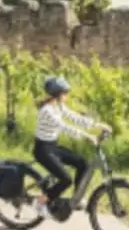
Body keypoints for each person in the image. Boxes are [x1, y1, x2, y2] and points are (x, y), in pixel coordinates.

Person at [33, 75, 110, 218]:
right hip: (43, 150)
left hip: (53, 147)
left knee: (82, 164)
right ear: (57, 94)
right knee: (66, 180)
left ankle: (77, 198)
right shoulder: (47, 111)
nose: (67, 95)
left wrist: (97, 125)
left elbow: (74, 117)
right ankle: (40, 203)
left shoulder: (59, 106)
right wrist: (87, 136)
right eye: (65, 93)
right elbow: (64, 127)